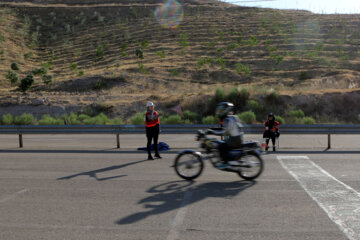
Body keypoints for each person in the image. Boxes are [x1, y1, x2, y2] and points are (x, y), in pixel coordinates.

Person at [207, 102, 244, 169]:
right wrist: (211, 129)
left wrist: (213, 132)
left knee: (221, 145)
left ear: (225, 111)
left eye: (220, 110)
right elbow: (224, 129)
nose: (219, 112)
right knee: (223, 143)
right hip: (238, 137)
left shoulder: (226, 120)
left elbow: (223, 132)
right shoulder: (232, 117)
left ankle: (225, 163)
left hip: (235, 139)